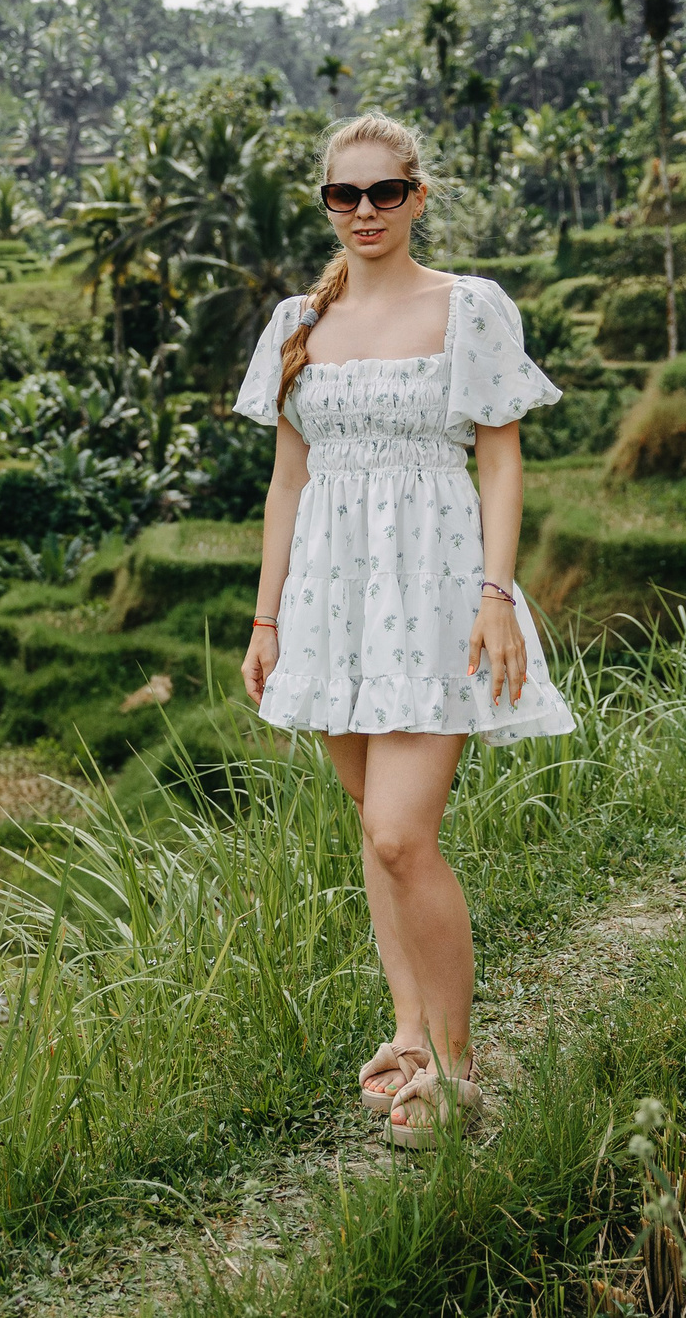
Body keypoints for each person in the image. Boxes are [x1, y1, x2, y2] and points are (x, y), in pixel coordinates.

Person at [235, 112, 575, 1151]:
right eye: (345, 195)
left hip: (433, 596)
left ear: (418, 197)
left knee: (399, 834)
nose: (366, 211)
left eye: (386, 192)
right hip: (329, 606)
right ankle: (409, 1040)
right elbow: (288, 480)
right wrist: (265, 617)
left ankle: (459, 1072)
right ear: (326, 205)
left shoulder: (468, 308)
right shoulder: (299, 321)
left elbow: (501, 459)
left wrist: (494, 594)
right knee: (375, 842)